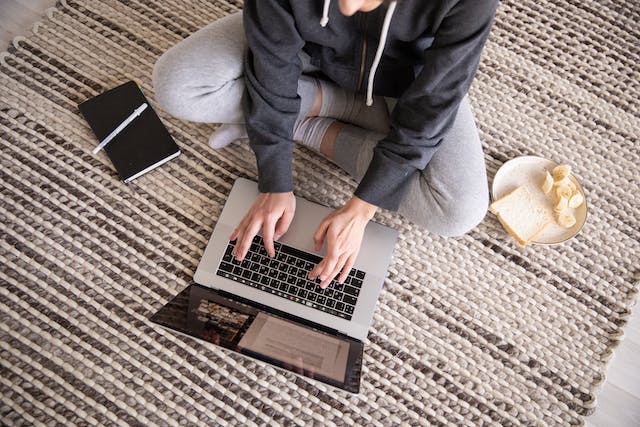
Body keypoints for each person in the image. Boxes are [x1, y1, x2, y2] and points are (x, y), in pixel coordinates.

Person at [153, 0, 499, 289]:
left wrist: (363, 207)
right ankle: (320, 109)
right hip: (303, 51)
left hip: (406, 80)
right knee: (176, 85)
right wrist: (274, 181)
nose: (345, 7)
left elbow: (431, 106)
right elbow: (271, 63)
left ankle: (308, 115)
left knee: (459, 210)